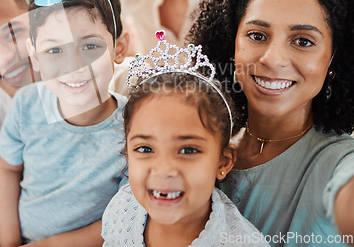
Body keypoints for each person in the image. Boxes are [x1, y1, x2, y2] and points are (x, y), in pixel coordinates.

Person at [190, 0, 354, 246]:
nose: (273, 59)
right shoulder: (202, 142)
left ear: (333, 60)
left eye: (303, 41)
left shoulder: (340, 162)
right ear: (232, 45)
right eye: (257, 35)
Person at [0, 0, 130, 246]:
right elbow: (6, 169)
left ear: (119, 47)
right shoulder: (26, 105)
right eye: (54, 50)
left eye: (90, 46)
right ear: (34, 55)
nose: (73, 65)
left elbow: (127, 214)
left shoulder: (135, 125)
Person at [101, 34, 270, 246]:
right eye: (145, 149)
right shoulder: (123, 206)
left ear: (223, 162)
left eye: (188, 150)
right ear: (127, 153)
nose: (163, 169)